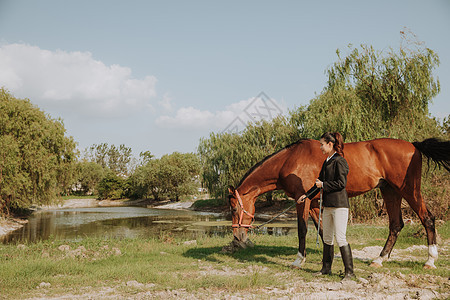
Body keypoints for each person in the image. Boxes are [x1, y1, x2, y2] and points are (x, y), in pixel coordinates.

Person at [297, 132, 355, 280]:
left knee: (340, 238)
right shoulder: (327, 161)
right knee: (327, 238)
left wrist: (323, 185)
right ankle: (326, 269)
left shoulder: (339, 161)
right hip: (328, 206)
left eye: (322, 144)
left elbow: (342, 184)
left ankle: (349, 272)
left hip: (340, 206)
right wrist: (307, 195)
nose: (320, 147)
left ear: (330, 144)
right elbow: (319, 183)